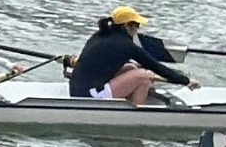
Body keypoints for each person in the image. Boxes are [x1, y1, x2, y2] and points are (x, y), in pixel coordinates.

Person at [69, 6, 198, 105]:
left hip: (77, 90)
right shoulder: (126, 45)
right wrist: (185, 81)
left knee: (131, 67)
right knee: (144, 76)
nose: (138, 29)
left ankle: (129, 102)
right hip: (90, 96)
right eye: (137, 25)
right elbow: (156, 67)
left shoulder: (99, 36)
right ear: (127, 25)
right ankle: (136, 113)